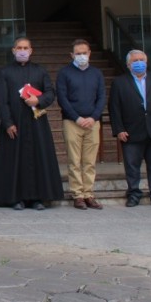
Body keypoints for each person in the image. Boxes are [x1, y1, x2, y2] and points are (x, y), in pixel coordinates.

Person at [0, 37, 64, 210]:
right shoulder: (4, 72)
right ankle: (15, 198)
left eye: (26, 48)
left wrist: (37, 100)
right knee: (14, 161)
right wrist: (7, 123)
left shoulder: (40, 71)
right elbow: (1, 100)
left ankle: (37, 198)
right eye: (19, 47)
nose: (22, 51)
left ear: (31, 51)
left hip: (36, 123)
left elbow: (50, 93)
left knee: (37, 159)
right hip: (14, 124)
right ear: (13, 50)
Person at [109, 49, 151, 208]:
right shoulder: (119, 82)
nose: (139, 63)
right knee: (132, 165)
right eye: (135, 61)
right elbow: (114, 108)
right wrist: (119, 129)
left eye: (142, 60)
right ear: (128, 64)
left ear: (146, 62)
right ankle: (133, 194)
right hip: (131, 131)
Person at [56, 39, 106, 210]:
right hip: (72, 122)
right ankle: (77, 194)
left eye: (84, 53)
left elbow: (101, 97)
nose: (81, 56)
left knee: (89, 160)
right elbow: (62, 98)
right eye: (78, 53)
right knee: (74, 160)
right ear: (72, 55)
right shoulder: (64, 73)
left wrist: (93, 117)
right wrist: (77, 117)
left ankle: (89, 193)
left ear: (89, 53)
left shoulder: (97, 73)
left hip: (93, 122)